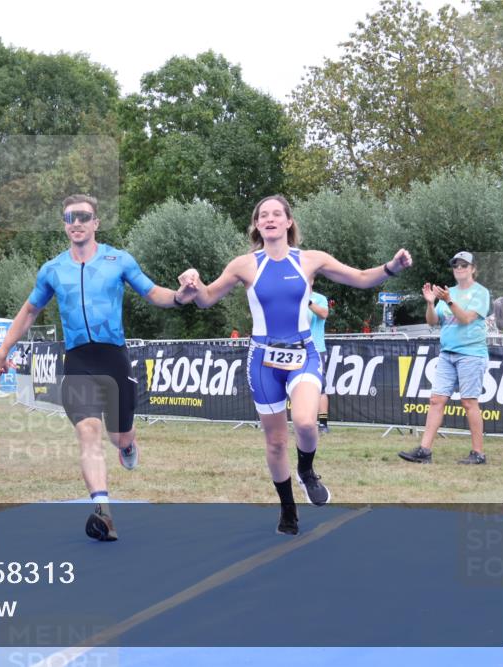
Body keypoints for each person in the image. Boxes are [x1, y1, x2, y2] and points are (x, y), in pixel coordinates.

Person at [176, 195, 412, 535]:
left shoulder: (309, 260)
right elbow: (206, 299)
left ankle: (307, 470)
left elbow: (360, 277)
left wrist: (392, 267)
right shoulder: (244, 265)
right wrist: (192, 287)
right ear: (257, 225)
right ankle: (288, 510)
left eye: (277, 214)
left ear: (288, 222)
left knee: (304, 421)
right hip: (262, 359)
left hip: (303, 353)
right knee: (274, 442)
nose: (270, 219)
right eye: (263, 215)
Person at [0, 194, 188, 542]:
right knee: (87, 432)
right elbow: (29, 311)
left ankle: (128, 445)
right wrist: (2, 349)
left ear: (96, 222)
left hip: (114, 358)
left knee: (118, 436)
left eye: (84, 216)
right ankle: (103, 512)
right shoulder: (52, 269)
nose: (77, 223)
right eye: (70, 217)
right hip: (79, 360)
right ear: (64, 225)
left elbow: (151, 292)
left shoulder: (119, 260)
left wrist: (179, 296)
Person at [399, 251, 490, 465]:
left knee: (469, 402)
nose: (459, 268)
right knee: (436, 400)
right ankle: (424, 451)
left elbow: (466, 319)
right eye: (456, 265)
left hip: (471, 354)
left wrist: (448, 301)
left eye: (464, 265)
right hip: (448, 353)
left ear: (473, 269)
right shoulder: (447, 294)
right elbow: (432, 322)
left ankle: (478, 454)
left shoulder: (481, 293)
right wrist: (431, 303)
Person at [308, 282, 331, 434]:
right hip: (296, 349)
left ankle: (323, 424)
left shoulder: (319, 298)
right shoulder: (291, 298)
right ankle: (304, 422)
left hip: (316, 349)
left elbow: (324, 314)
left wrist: (308, 302)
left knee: (320, 387)